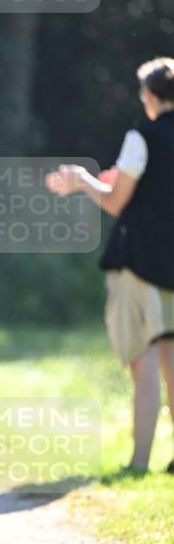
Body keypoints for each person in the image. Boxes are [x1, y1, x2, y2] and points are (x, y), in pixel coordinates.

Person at [45, 57, 174, 474]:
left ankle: (138, 463)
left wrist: (84, 181)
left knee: (144, 360)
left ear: (151, 96)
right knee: (173, 358)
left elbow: (117, 202)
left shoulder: (143, 136)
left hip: (139, 261)